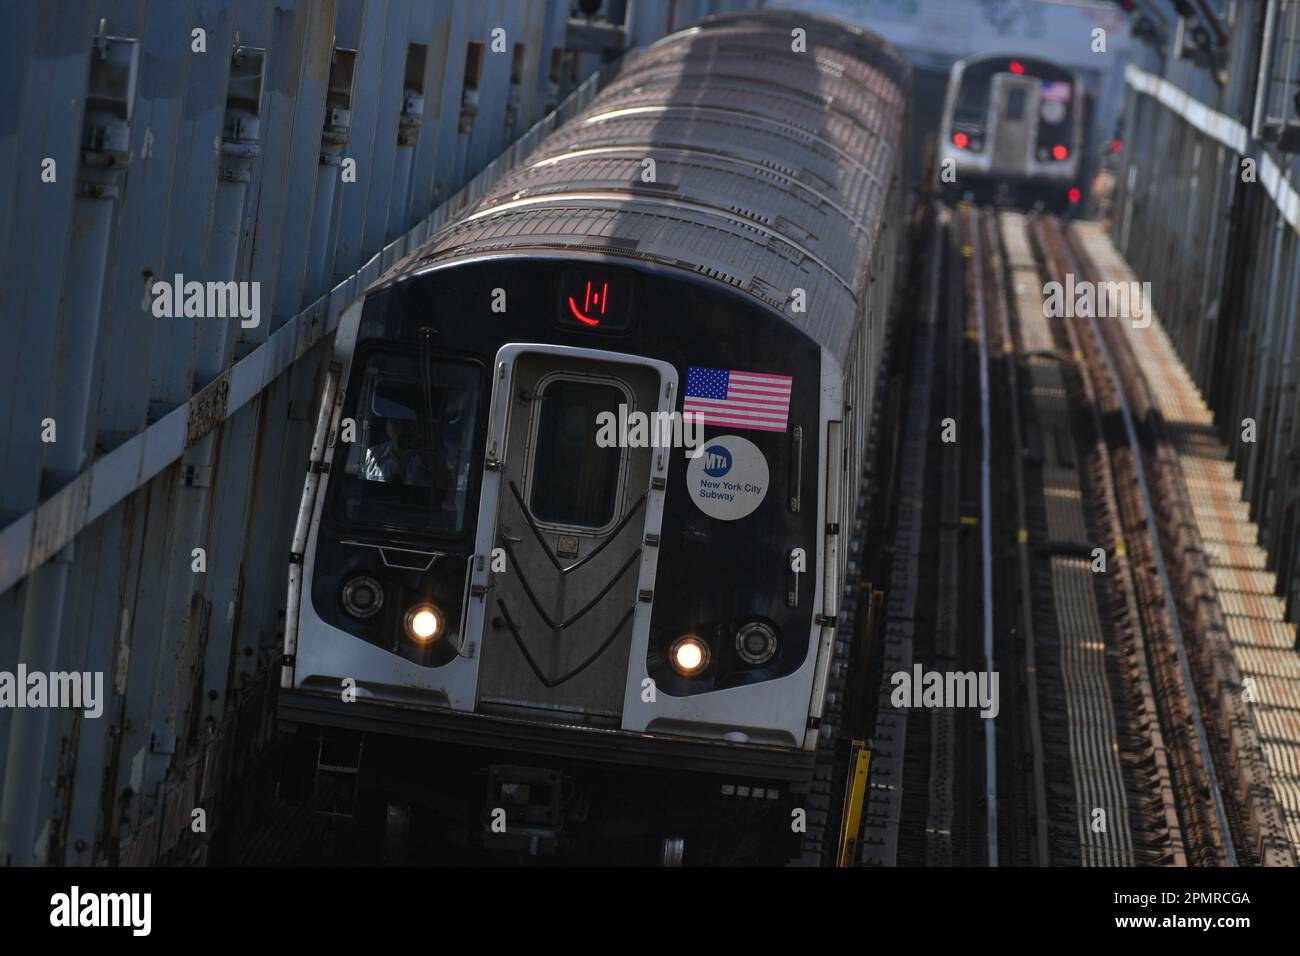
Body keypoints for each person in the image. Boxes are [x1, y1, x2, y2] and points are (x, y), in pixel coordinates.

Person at [364, 419, 435, 486]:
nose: (401, 426)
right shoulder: (370, 456)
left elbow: (441, 481)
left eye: (406, 420)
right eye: (394, 420)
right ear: (387, 426)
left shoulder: (428, 456)